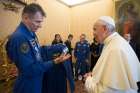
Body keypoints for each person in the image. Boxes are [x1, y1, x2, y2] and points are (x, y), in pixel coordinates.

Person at [6, 3, 71, 93]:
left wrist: (53, 48)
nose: (40, 25)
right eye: (37, 21)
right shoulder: (20, 37)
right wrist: (54, 61)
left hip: (36, 82)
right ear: (25, 18)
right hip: (28, 86)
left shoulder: (31, 33)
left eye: (41, 22)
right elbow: (30, 70)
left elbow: (37, 51)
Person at [84, 16, 140, 93]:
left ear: (105, 29)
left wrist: (88, 80)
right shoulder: (112, 42)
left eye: (94, 29)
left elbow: (106, 91)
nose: (93, 33)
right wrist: (94, 74)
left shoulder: (115, 49)